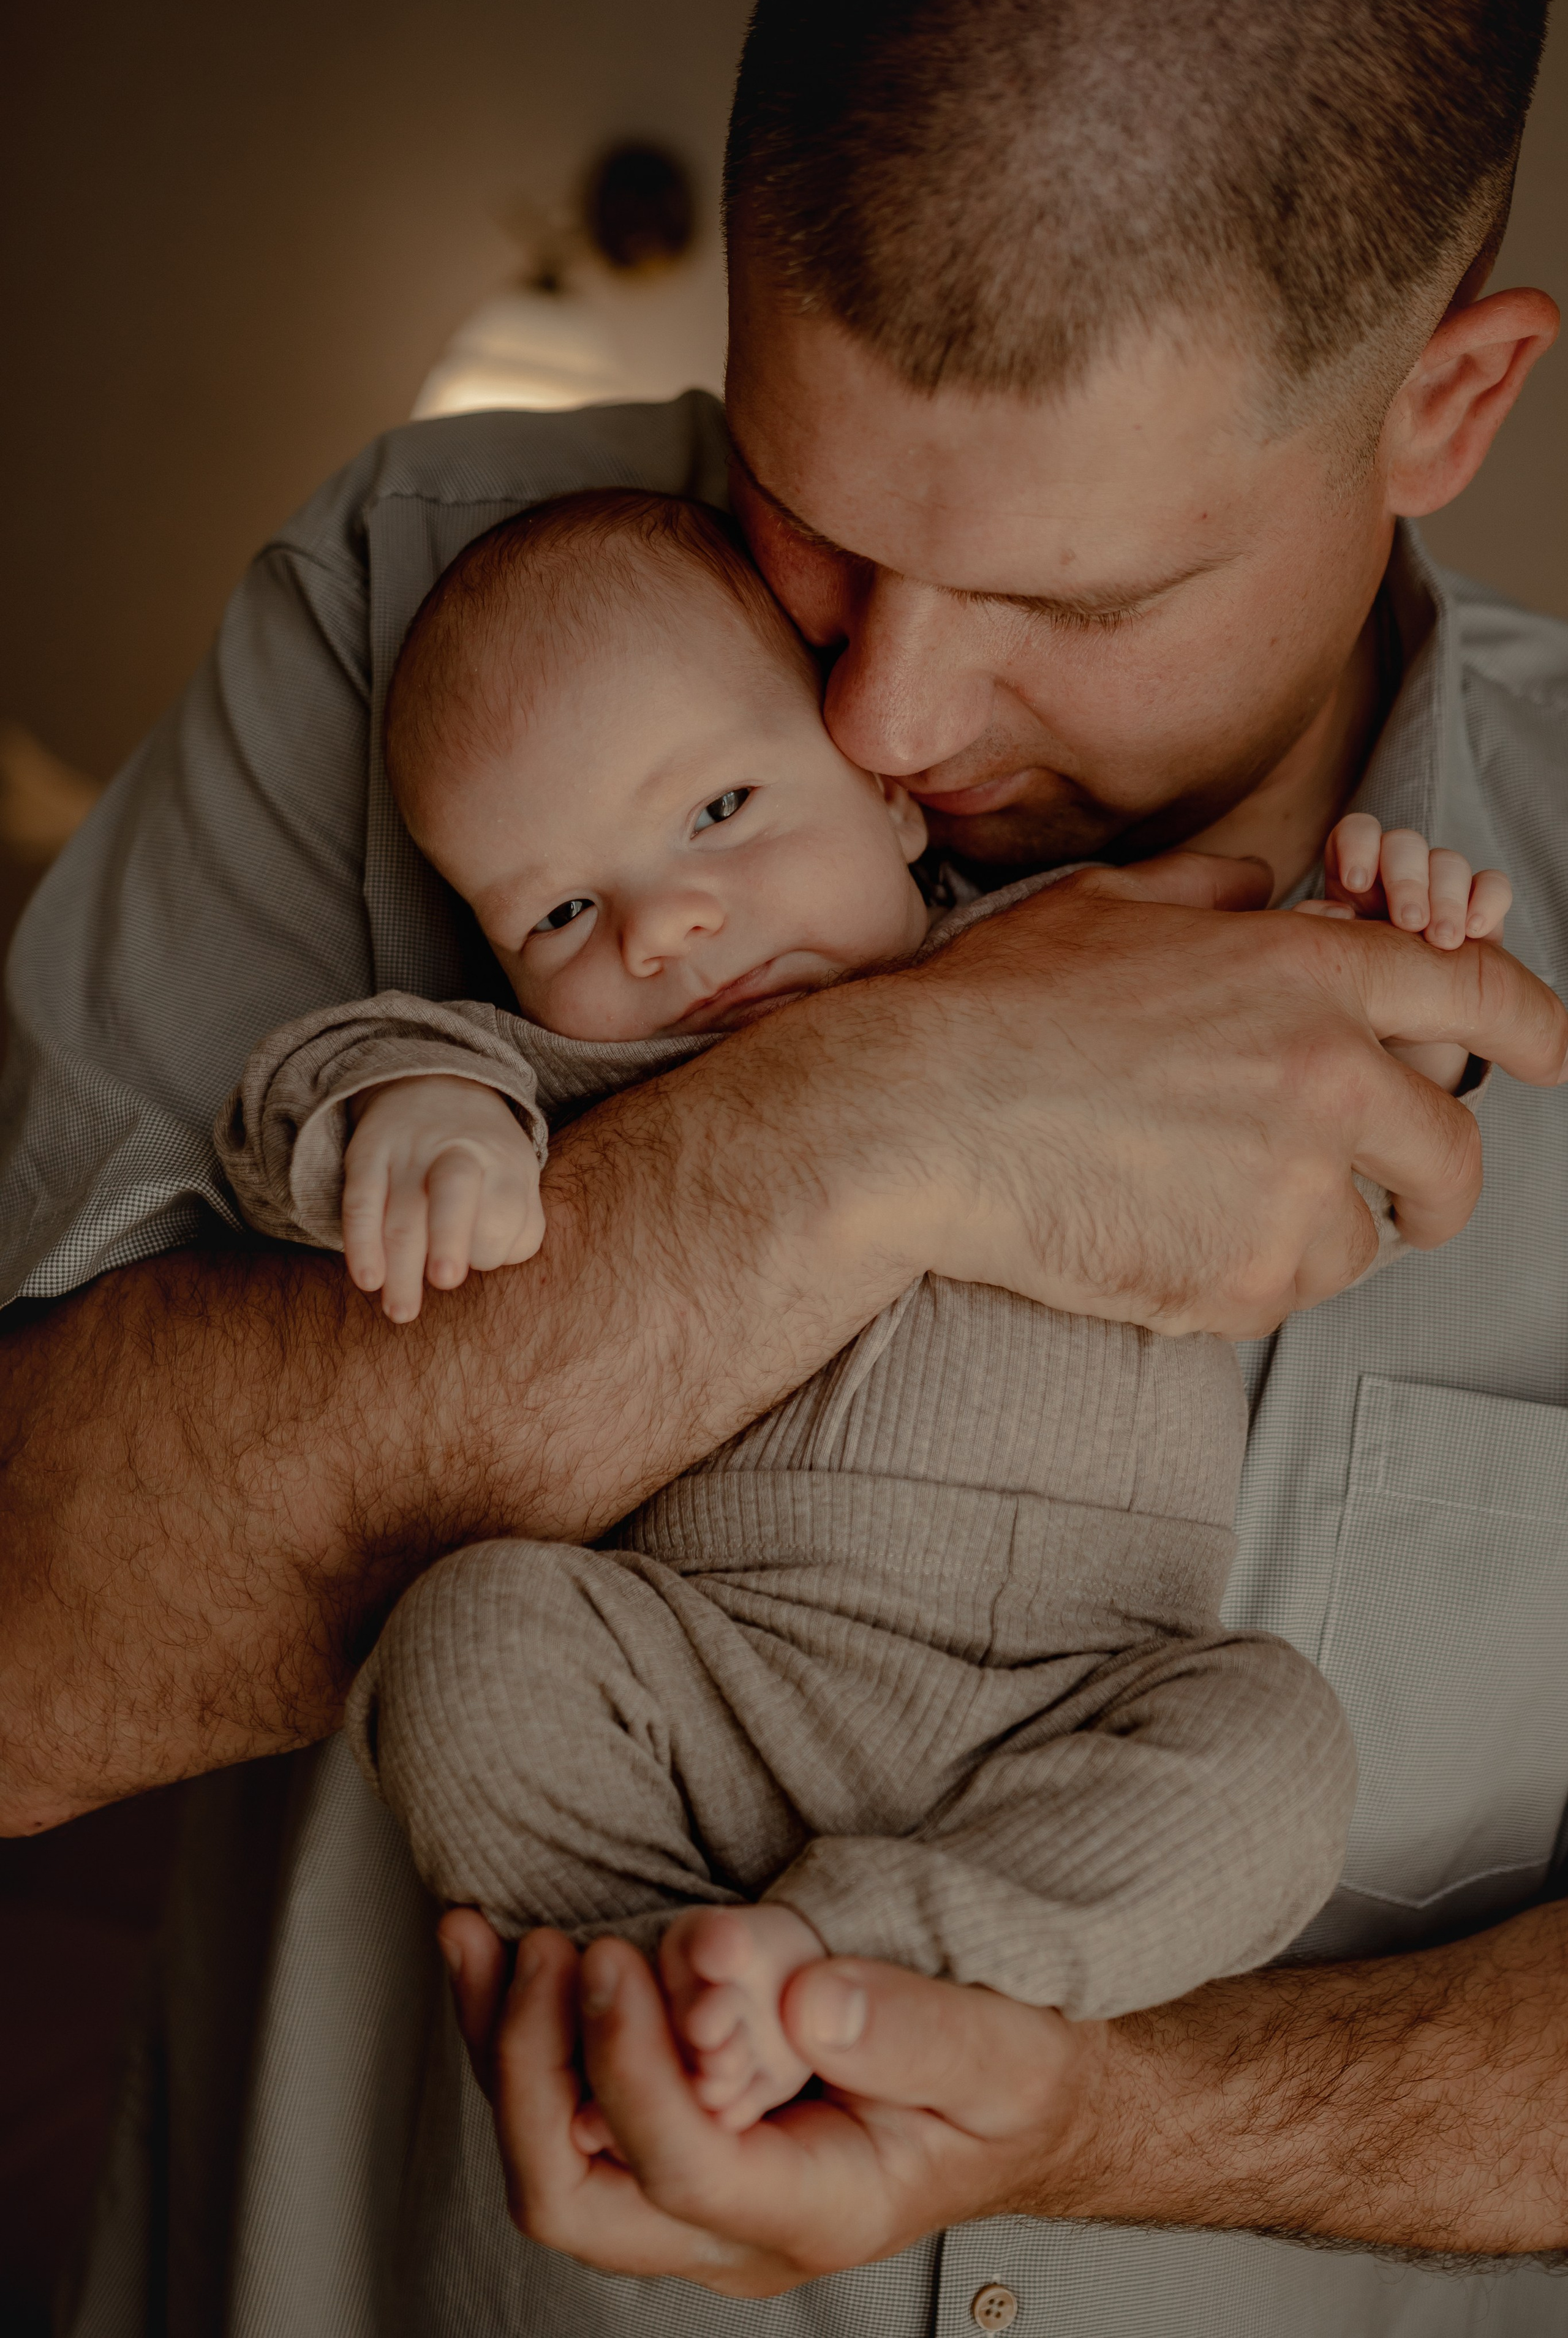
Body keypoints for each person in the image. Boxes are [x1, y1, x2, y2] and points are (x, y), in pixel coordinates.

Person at [2, 0, 1566, 2333]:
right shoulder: (443, 619)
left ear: (1447, 402)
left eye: (1071, 600)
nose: (881, 720)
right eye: (809, 525)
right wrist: (882, 1115)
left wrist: (1097, 2113)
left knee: (1271, 1754)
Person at [220, 486, 1417, 2123]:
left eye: (719, 807)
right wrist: (411, 1108)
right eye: (558, 913)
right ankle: (646, 1975)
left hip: (1091, 1687)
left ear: (895, 800)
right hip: (718, 1673)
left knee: (1280, 1751)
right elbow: (306, 1086)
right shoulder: (588, 1074)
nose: (665, 926)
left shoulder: (1091, 963)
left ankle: (858, 1964)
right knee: (466, 1646)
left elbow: (1319, 1114)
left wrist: (1389, 970)